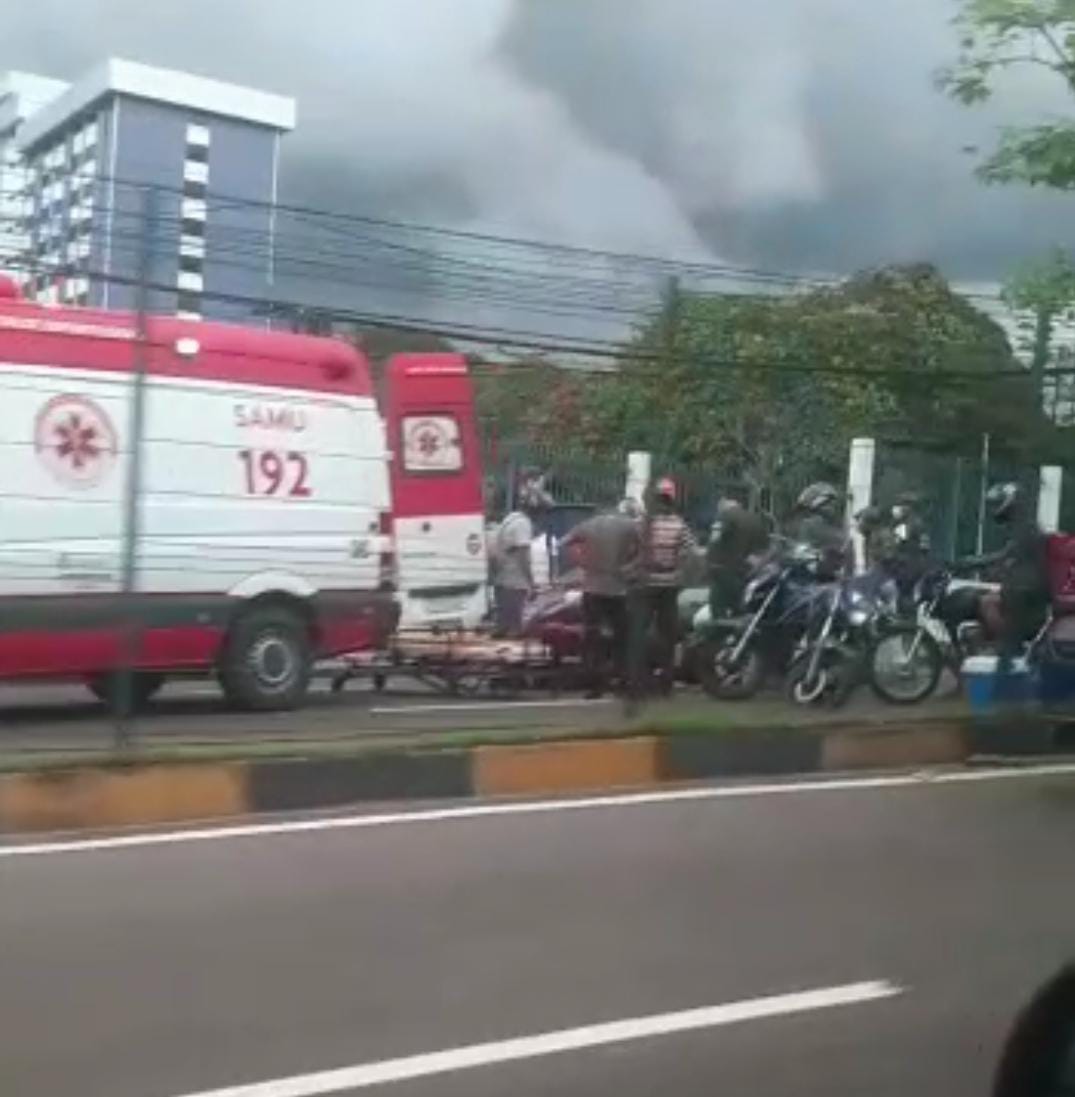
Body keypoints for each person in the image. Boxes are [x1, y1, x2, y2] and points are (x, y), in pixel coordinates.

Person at [958, 482, 1050, 666]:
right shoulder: (1018, 526)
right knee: (985, 600)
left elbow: (1006, 554)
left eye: (997, 503)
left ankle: (1009, 648)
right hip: (1022, 588)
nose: (994, 508)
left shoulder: (1025, 527)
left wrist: (972, 562)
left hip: (1027, 593)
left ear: (1010, 504)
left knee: (991, 603)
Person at [561, 501, 643, 697]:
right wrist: (631, 567)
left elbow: (565, 542)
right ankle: (623, 682)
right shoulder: (628, 525)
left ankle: (594, 686)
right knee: (622, 637)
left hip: (593, 587)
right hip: (619, 588)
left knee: (592, 637)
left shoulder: (588, 525)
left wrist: (582, 562)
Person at [629, 476, 696, 698]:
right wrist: (679, 571)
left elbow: (631, 549)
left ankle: (637, 682)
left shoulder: (642, 523)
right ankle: (665, 684)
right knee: (667, 635)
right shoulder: (679, 524)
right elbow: (690, 552)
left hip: (645, 584)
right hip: (670, 585)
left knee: (639, 633)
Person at [493, 482, 550, 636]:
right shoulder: (523, 524)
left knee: (502, 627)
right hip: (514, 582)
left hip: (503, 580)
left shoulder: (511, 518)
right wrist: (531, 582)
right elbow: (523, 557)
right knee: (516, 630)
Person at [707, 496, 769, 619]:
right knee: (740, 609)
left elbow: (714, 542)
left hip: (724, 570)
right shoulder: (755, 519)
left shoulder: (724, 517)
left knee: (718, 609)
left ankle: (718, 635)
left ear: (723, 503)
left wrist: (710, 563)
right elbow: (764, 548)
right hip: (749, 572)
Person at [789, 481, 850, 578]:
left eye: (832, 504)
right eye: (829, 504)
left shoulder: (812, 525)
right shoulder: (837, 528)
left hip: (820, 577)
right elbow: (799, 551)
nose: (833, 507)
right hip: (821, 576)